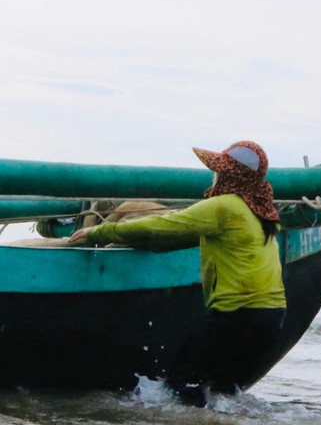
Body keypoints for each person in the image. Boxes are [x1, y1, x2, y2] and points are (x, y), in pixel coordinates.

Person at [70, 141, 286, 405]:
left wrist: (99, 232)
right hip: (272, 317)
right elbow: (180, 238)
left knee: (180, 382)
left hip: (238, 313)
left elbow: (160, 226)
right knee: (222, 390)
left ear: (228, 175)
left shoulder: (225, 207)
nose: (214, 175)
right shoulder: (262, 212)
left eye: (217, 170)